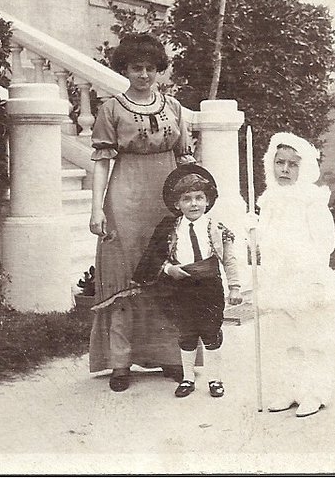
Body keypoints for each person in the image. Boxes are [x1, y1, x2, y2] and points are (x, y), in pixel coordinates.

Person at [88, 33, 195, 392]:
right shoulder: (112, 109)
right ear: (125, 69)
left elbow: (186, 158)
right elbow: (101, 162)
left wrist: (196, 203)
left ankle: (170, 356)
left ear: (158, 70)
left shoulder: (173, 107)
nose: (144, 75)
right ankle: (120, 362)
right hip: (125, 198)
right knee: (125, 278)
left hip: (166, 197)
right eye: (137, 68)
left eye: (151, 68)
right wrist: (96, 209)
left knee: (168, 273)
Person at [132, 164, 243, 399]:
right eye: (186, 199)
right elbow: (154, 256)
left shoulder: (216, 228)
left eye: (199, 198)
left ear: (208, 200)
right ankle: (187, 378)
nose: (193, 204)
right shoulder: (170, 227)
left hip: (209, 285)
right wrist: (169, 269)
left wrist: (234, 286)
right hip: (181, 287)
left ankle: (215, 379)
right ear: (177, 204)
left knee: (211, 332)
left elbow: (229, 259)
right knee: (186, 333)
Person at [252, 132, 335, 417]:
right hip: (278, 277)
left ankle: (315, 391)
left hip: (305, 277)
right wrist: (253, 229)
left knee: (311, 337)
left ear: (305, 168)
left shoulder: (311, 200)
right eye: (279, 163)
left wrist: (316, 278)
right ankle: (291, 389)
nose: (285, 170)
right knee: (284, 337)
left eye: (292, 164)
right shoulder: (270, 199)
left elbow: (325, 242)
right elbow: (265, 240)